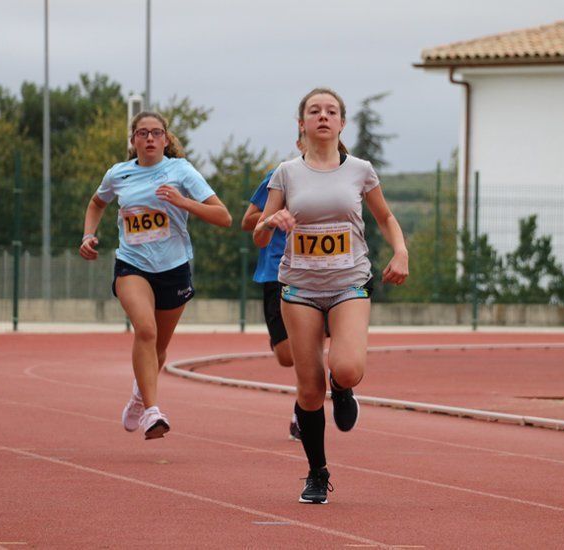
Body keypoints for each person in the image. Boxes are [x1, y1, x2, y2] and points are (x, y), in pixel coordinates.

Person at [253, 88, 408, 504]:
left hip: (348, 283)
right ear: (302, 123)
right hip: (299, 288)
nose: (323, 116)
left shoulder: (360, 170)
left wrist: (401, 251)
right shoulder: (286, 173)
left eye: (331, 111)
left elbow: (386, 217)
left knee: (349, 367)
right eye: (314, 111)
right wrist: (273, 220)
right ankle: (317, 472)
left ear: (342, 123)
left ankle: (343, 388)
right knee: (307, 390)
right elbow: (258, 232)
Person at [79, 111, 231, 440]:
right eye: (142, 133)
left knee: (159, 347)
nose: (149, 138)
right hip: (132, 265)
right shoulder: (118, 174)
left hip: (174, 268)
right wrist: (87, 235)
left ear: (166, 139)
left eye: (156, 133)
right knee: (145, 331)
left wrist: (183, 202)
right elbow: (96, 203)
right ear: (133, 141)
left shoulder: (181, 171)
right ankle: (152, 411)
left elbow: (223, 216)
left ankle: (137, 396)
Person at [240, 135, 306, 442]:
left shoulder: (338, 178)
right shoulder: (278, 175)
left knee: (313, 341)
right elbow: (247, 221)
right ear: (299, 142)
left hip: (312, 271)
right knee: (287, 355)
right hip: (275, 271)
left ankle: (302, 412)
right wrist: (274, 217)